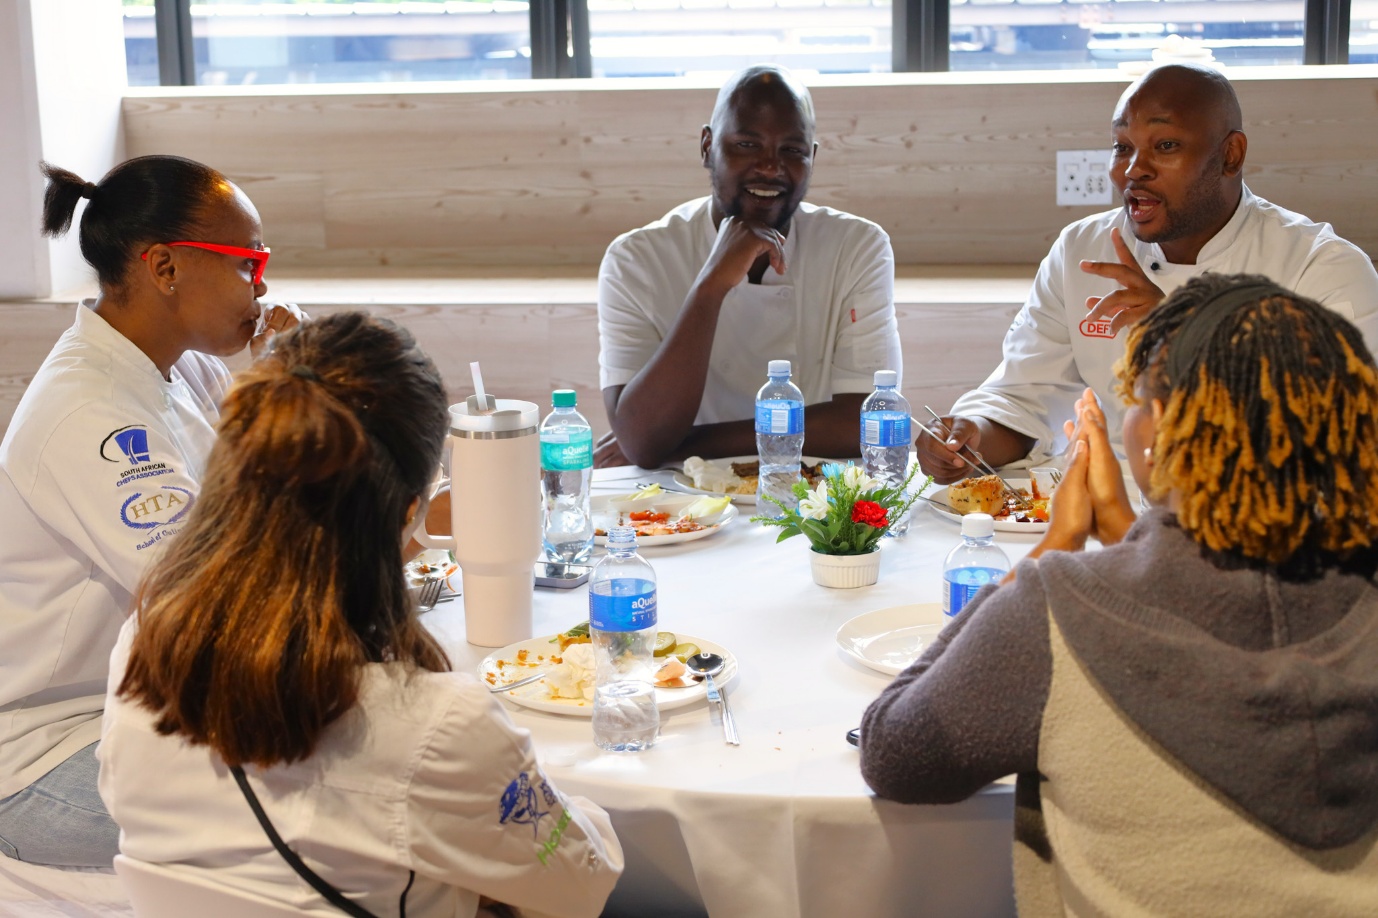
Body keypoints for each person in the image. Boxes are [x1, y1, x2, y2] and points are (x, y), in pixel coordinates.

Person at [861, 274, 1378, 915]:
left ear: (1156, 426)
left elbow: (894, 753)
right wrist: (1129, 534)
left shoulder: (1057, 608)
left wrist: (1054, 551)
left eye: (1133, 398)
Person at [98, 313, 624, 916]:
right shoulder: (438, 725)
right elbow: (585, 884)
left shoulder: (142, 645)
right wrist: (558, 800)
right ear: (409, 512)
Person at [0, 156, 299, 867]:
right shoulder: (89, 412)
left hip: (149, 711)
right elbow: (217, 598)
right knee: (321, 810)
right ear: (165, 266)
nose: (261, 286)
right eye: (247, 263)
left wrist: (291, 382)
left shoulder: (184, 363)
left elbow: (251, 504)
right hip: (48, 756)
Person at [918, 63, 1378, 484]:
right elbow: (1025, 396)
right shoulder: (1083, 250)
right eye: (1122, 147)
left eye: (1166, 146)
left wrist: (1179, 333)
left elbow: (1337, 444)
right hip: (1097, 499)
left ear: (1230, 155)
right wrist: (968, 437)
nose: (1134, 170)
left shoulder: (1320, 267)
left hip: (1245, 525)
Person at [595, 64, 902, 469]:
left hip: (816, 491)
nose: (770, 167)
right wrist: (711, 285)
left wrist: (686, 443)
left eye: (791, 150)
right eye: (746, 145)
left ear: (812, 157)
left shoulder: (856, 246)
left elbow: (865, 421)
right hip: (683, 498)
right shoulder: (637, 258)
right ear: (707, 146)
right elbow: (644, 438)